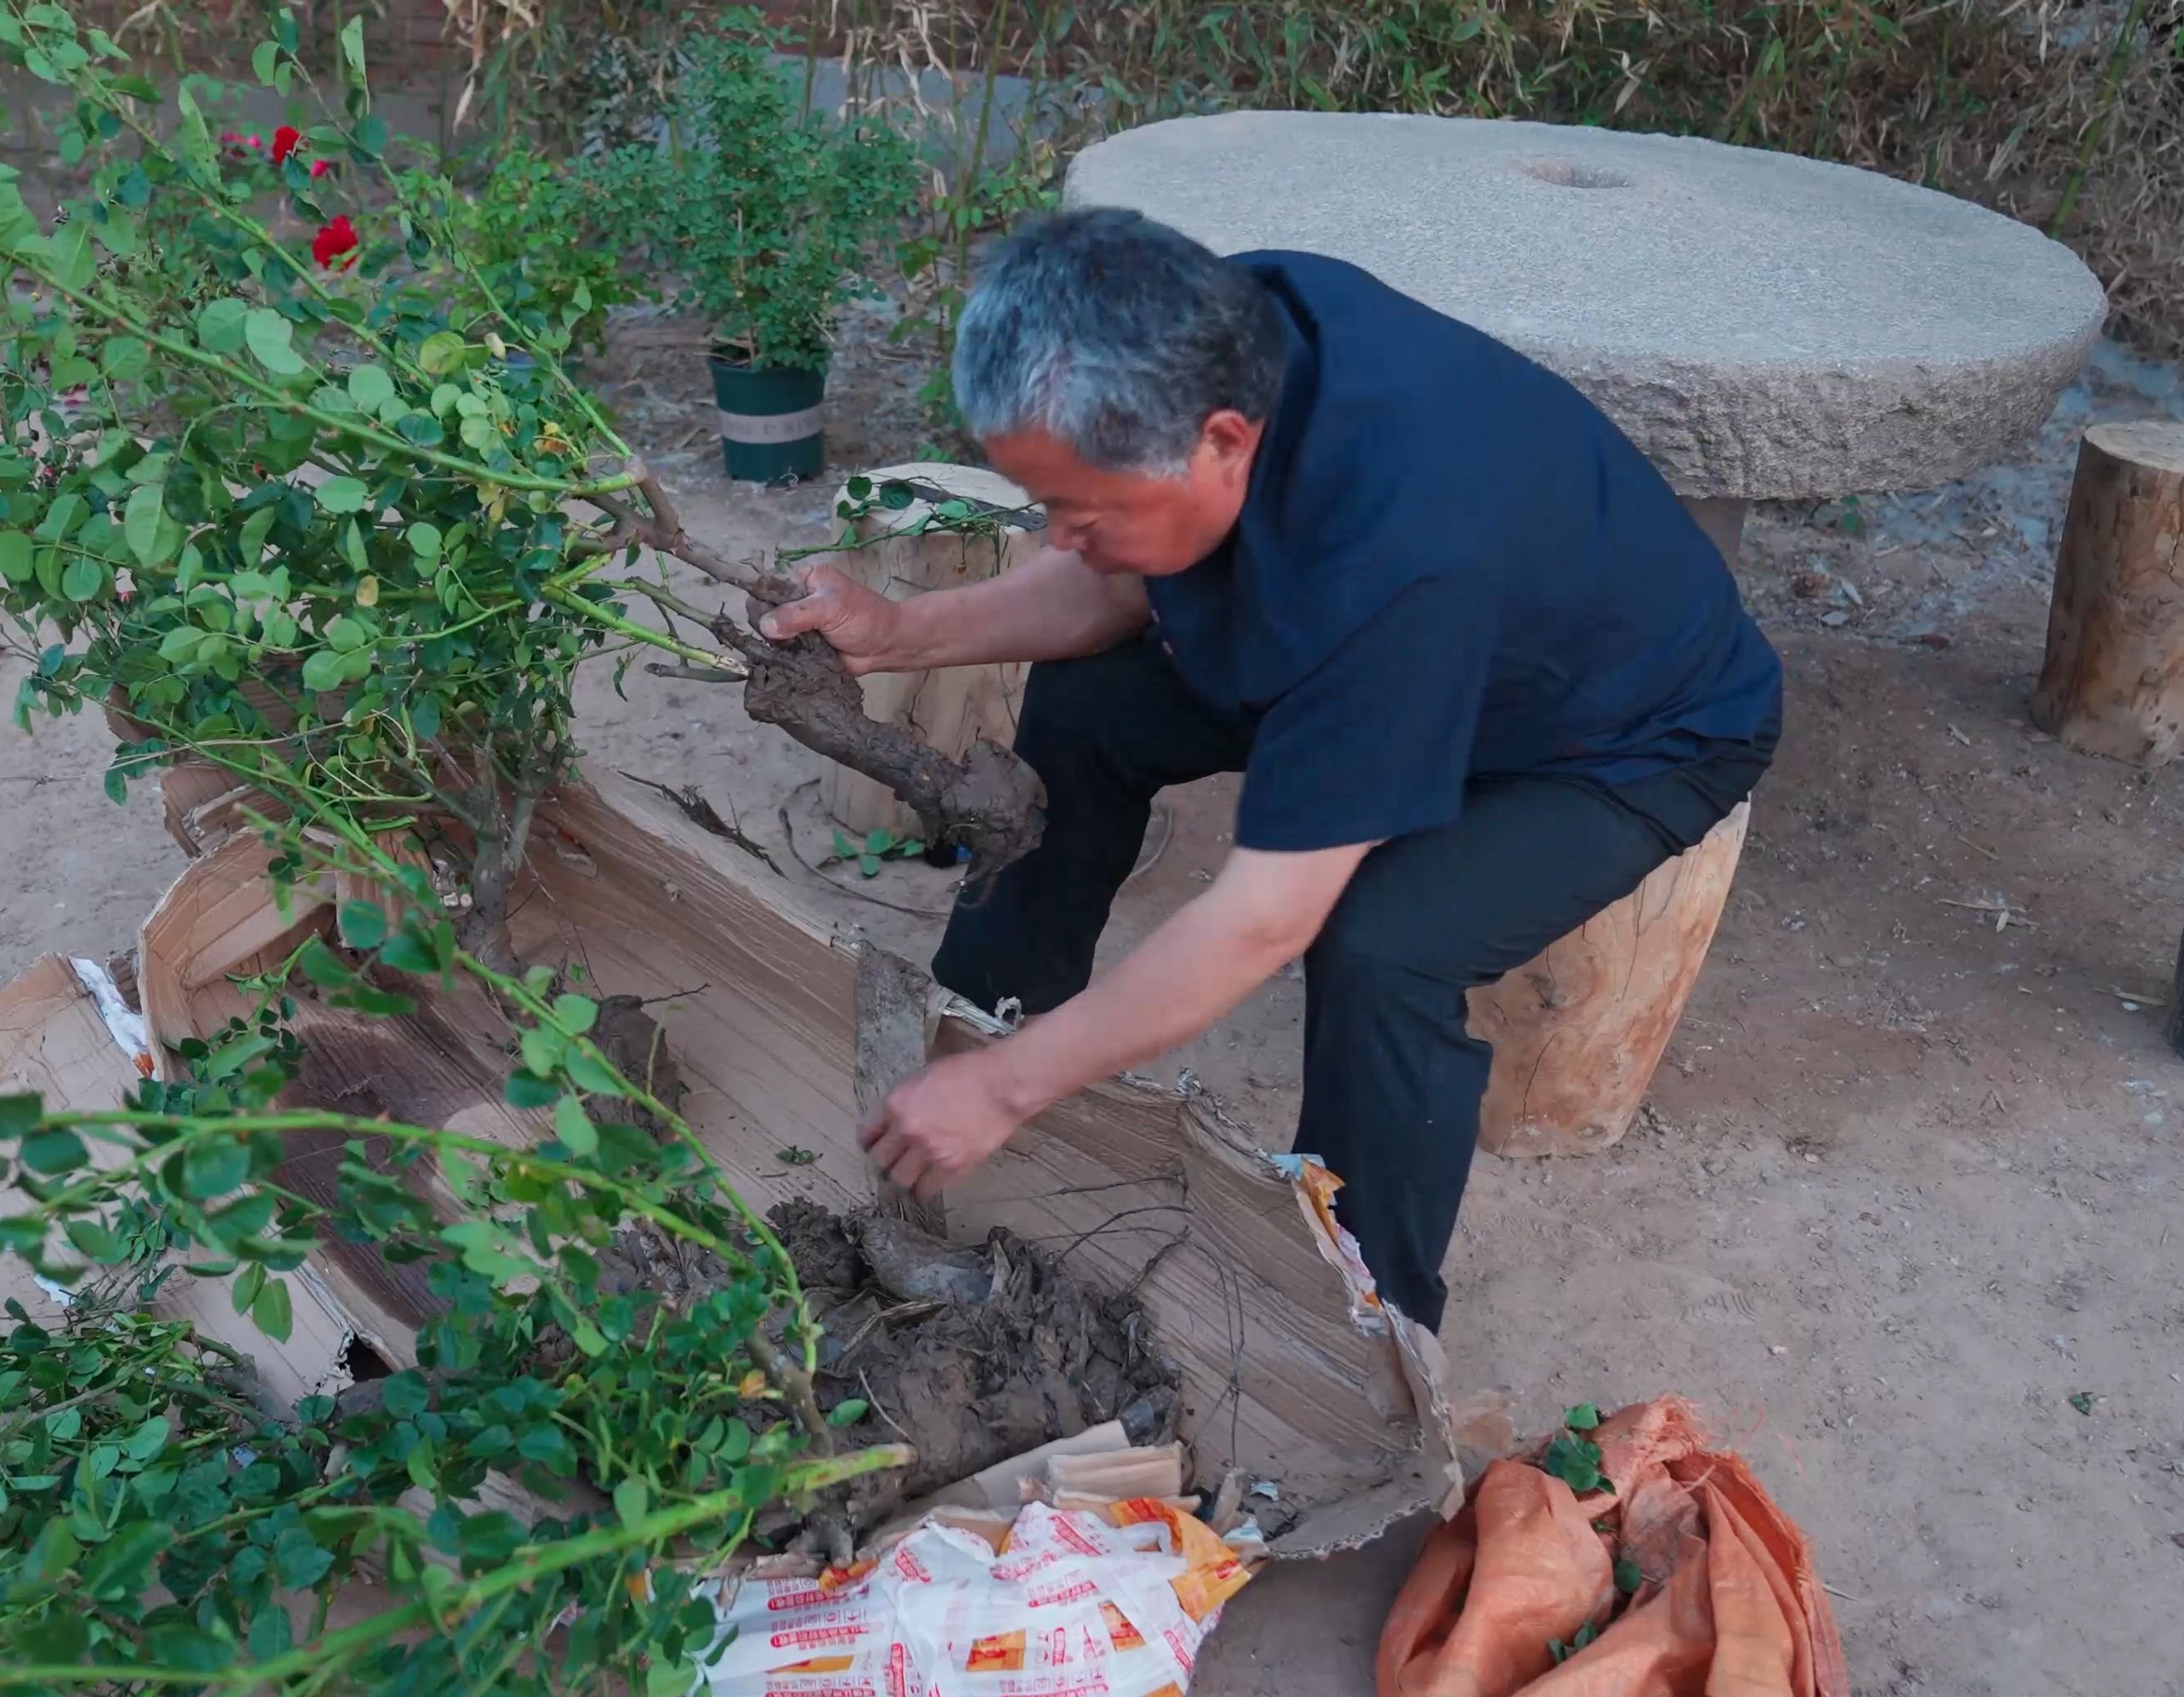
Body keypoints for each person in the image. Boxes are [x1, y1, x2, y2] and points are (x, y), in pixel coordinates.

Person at [763, 207, 1782, 1332]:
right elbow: (1113, 581)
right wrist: (898, 632)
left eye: (1077, 509)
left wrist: (1009, 1095)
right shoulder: (1214, 329)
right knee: (1096, 702)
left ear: (1223, 443)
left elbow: (1260, 919)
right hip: (1414, 647)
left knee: (1387, 940)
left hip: (1619, 736)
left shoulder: (1395, 559)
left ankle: (1366, 1318)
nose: (1055, 535)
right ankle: (992, 1017)